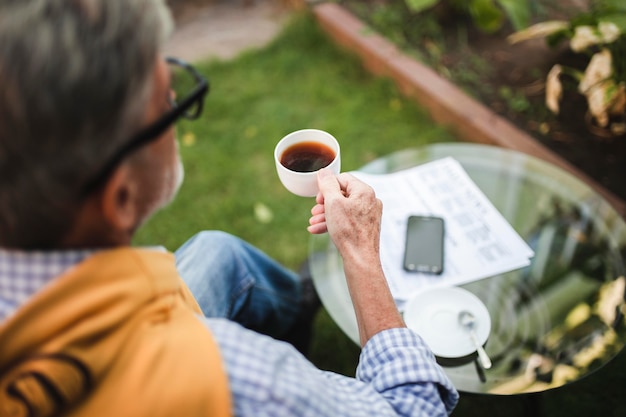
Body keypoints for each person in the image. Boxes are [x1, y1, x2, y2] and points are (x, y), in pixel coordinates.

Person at [0, 0, 459, 416]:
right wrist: (359, 251)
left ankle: (297, 305)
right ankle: (298, 324)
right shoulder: (244, 382)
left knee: (221, 253)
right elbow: (412, 408)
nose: (177, 108)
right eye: (167, 106)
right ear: (120, 198)